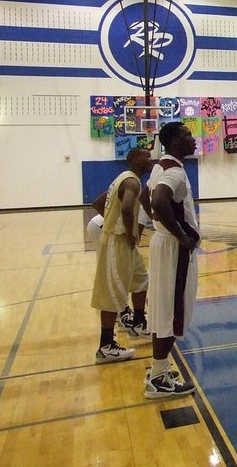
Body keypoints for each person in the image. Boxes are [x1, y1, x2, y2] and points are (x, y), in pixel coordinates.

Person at [145, 122, 199, 399]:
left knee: (163, 307)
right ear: (175, 141)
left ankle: (159, 369)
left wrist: (158, 224)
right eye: (188, 134)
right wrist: (181, 236)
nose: (193, 138)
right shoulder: (174, 172)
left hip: (162, 244)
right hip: (173, 249)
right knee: (172, 310)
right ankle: (158, 379)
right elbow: (158, 201)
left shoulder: (160, 167)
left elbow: (145, 195)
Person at [90, 147, 153, 363]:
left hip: (124, 244)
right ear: (134, 159)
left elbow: (98, 203)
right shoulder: (132, 182)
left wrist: (114, 219)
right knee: (112, 295)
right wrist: (127, 231)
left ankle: (138, 323)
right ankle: (106, 346)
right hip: (116, 243)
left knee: (141, 280)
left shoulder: (125, 179)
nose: (150, 158)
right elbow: (126, 208)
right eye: (146, 155)